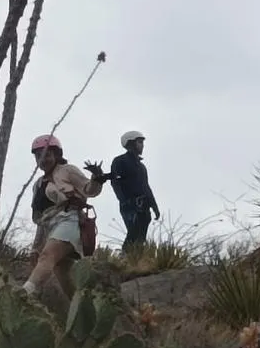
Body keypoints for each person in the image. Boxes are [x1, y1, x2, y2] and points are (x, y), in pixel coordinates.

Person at [23, 134, 107, 309]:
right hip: (50, 227)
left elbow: (88, 189)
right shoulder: (37, 185)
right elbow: (39, 220)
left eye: (47, 154)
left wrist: (96, 179)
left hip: (69, 219)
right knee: (62, 273)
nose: (43, 159)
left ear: (56, 154)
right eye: (38, 156)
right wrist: (35, 246)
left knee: (47, 256)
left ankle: (24, 294)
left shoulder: (67, 170)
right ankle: (83, 311)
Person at [109, 130, 161, 253]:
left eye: (142, 142)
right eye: (139, 142)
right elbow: (115, 182)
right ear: (131, 143)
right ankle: (125, 257)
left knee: (141, 236)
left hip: (144, 206)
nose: (142, 145)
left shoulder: (141, 167)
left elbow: (146, 187)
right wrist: (123, 200)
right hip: (129, 205)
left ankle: (136, 259)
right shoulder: (119, 161)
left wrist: (154, 206)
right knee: (133, 231)